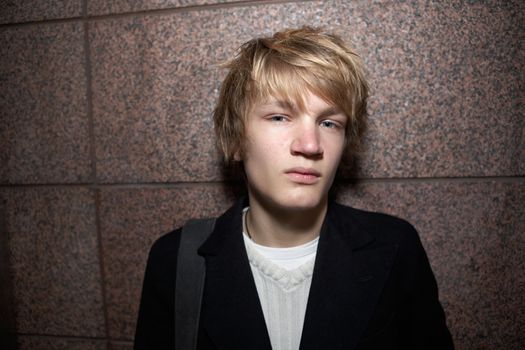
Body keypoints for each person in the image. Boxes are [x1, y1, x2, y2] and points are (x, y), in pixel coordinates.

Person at [134, 26, 454, 350]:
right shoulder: (176, 259)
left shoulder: (396, 247)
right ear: (235, 141)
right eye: (279, 117)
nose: (311, 145)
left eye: (329, 123)